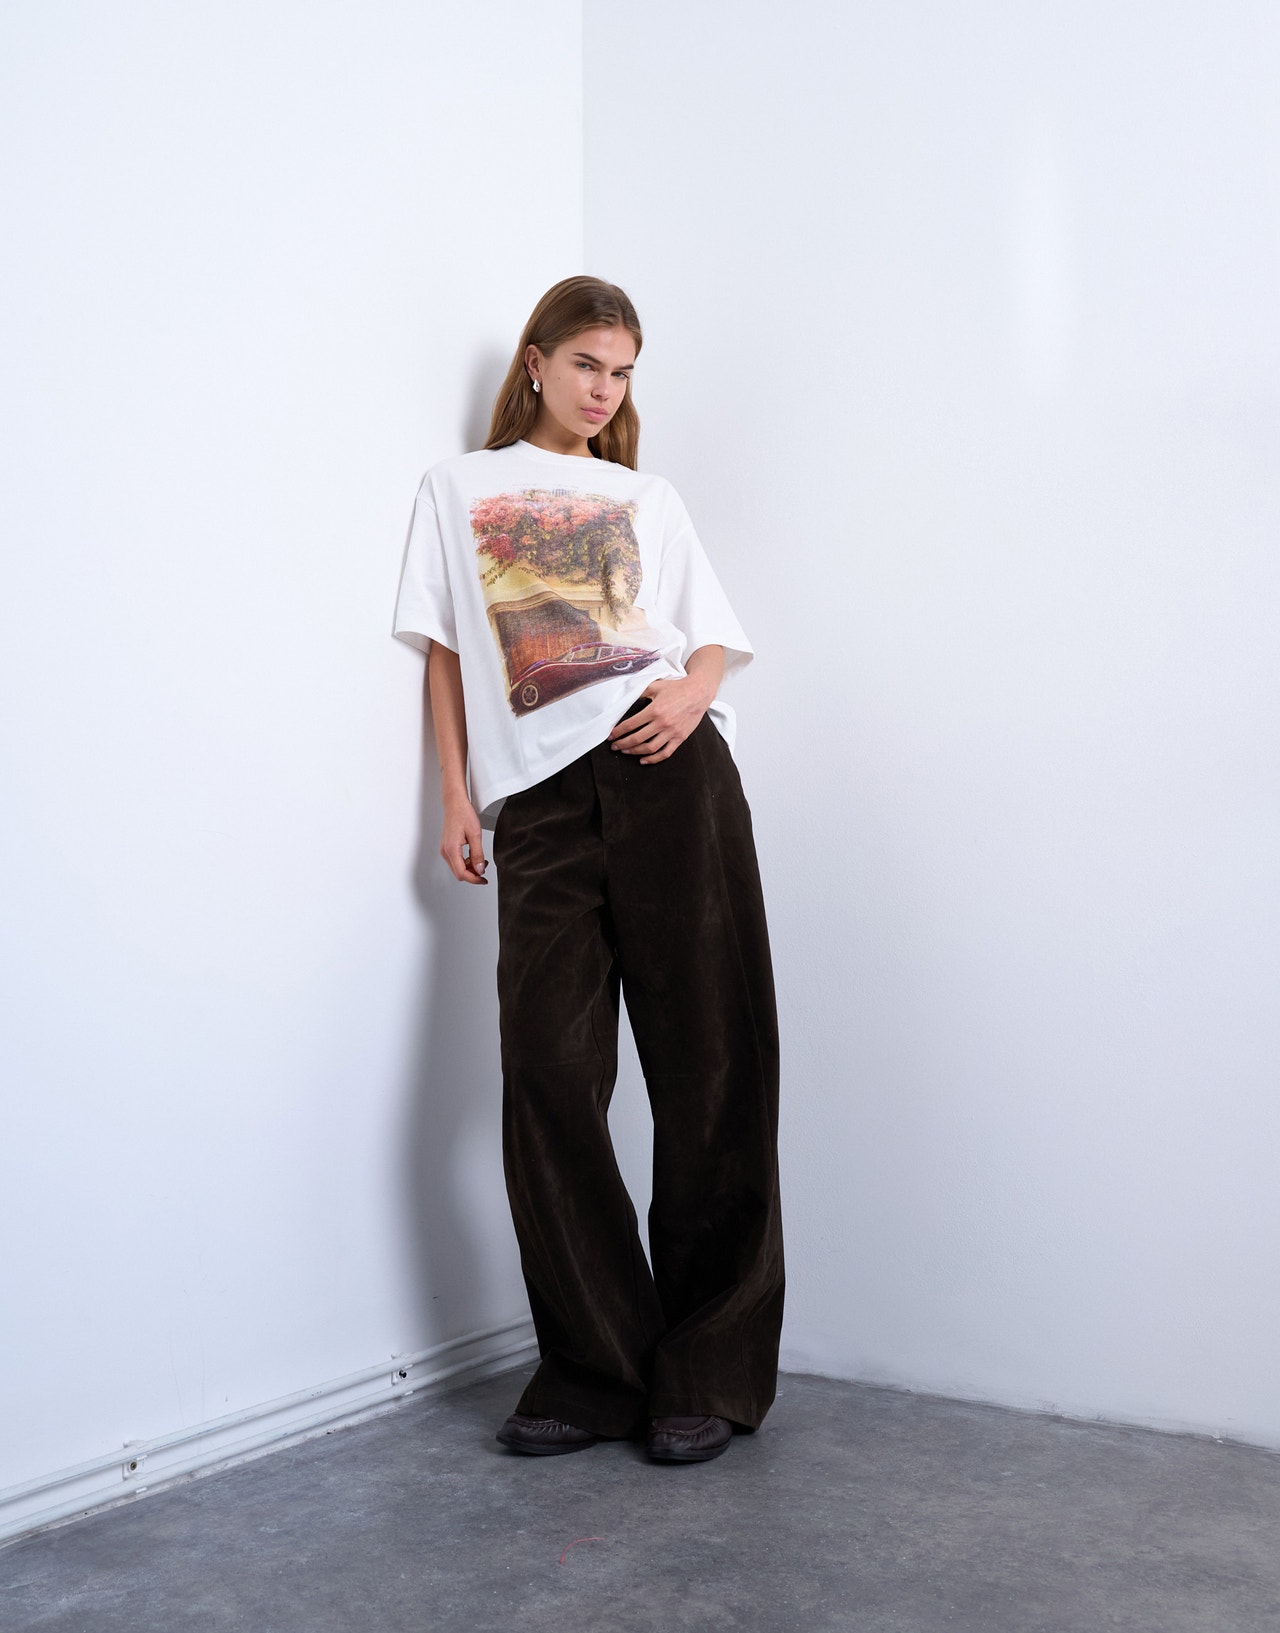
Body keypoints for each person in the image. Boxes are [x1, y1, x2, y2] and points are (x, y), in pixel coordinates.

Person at [392, 275, 783, 1464]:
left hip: (670, 772)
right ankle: (596, 1367)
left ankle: (707, 1369)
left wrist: (691, 697)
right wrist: (454, 796)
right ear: (536, 362)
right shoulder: (456, 488)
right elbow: (447, 653)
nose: (604, 389)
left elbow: (708, 639)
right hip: (543, 805)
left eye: (620, 373)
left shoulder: (643, 497)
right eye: (585, 365)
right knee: (550, 1074)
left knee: (710, 1066)